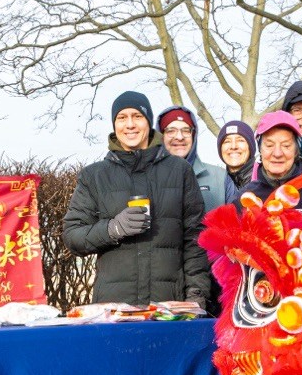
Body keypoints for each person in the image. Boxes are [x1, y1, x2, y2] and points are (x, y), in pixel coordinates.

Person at [62, 90, 213, 305]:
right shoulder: (94, 175)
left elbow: (196, 240)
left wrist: (196, 296)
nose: (130, 124)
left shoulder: (179, 171)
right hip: (114, 308)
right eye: (122, 118)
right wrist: (112, 229)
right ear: (115, 125)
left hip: (168, 305)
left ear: (149, 122)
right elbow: (73, 237)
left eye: (137, 116)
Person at [235, 111, 302, 214]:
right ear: (260, 149)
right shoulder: (245, 197)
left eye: (286, 145)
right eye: (269, 145)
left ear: (296, 150)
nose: (277, 153)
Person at [157, 105, 227, 213]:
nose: (179, 137)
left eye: (186, 130)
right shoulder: (148, 178)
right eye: (171, 131)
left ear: (193, 135)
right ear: (161, 136)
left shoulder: (221, 178)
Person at [216, 120, 256, 203]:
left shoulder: (263, 179)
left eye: (240, 140)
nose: (233, 146)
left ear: (250, 147)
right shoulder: (216, 184)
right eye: (227, 141)